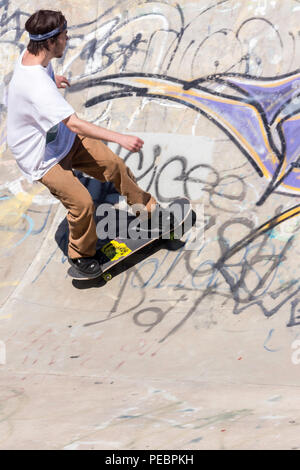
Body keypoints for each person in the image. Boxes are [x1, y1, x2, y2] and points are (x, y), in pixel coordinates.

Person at [6, 9, 173, 279]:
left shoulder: (36, 59)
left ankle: (147, 209)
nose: (67, 38)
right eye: (64, 35)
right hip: (40, 157)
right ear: (50, 41)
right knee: (83, 203)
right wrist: (120, 137)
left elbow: (36, 85)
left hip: (61, 137)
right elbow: (75, 123)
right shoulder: (35, 85)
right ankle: (81, 256)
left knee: (113, 165)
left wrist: (53, 79)